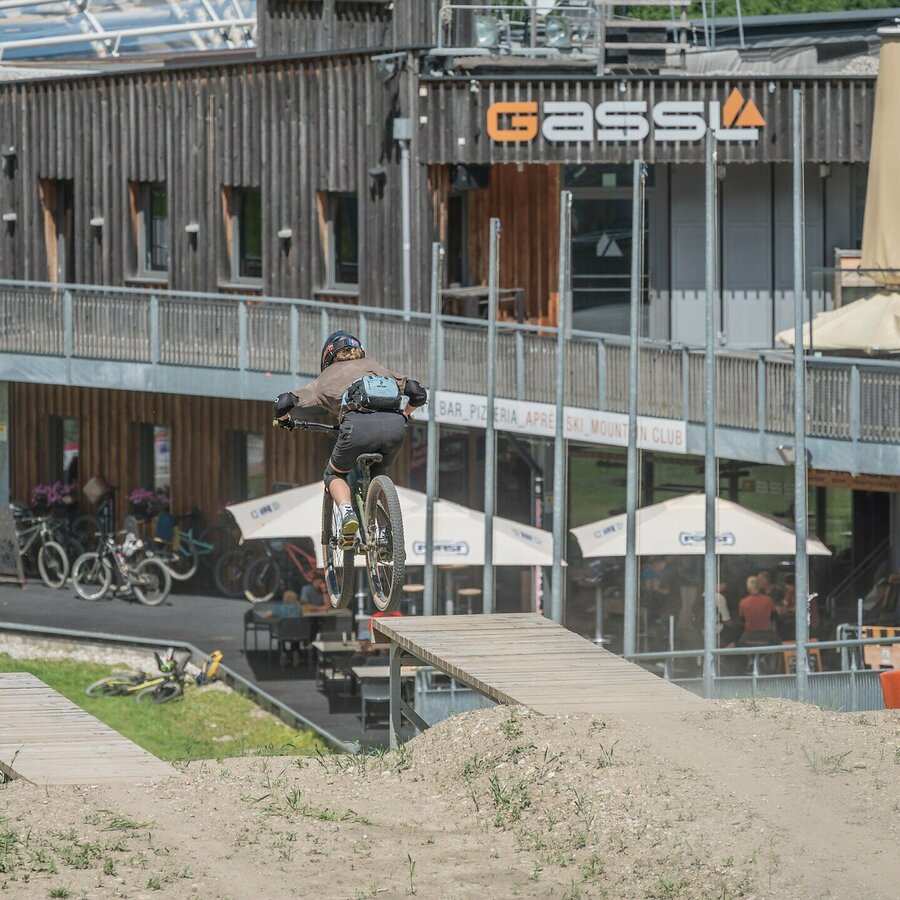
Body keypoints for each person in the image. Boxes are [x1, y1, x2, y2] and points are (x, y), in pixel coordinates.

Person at [274, 331, 427, 537]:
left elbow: (283, 402)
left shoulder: (324, 380)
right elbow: (418, 392)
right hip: (395, 429)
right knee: (378, 474)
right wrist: (405, 415)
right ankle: (384, 531)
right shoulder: (375, 367)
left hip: (356, 428)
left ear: (327, 357)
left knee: (334, 474)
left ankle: (347, 513)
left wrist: (285, 421)